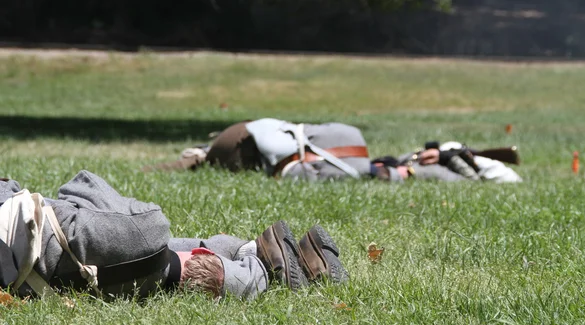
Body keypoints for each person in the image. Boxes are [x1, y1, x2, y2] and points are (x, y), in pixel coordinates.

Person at [0, 171, 348, 301]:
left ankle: (252, 253)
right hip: (71, 244)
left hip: (59, 245)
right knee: (140, 236)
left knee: (152, 258)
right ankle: (259, 267)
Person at [147, 118, 522, 183]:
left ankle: (198, 154)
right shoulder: (354, 167)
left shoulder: (351, 136)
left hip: (241, 134)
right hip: (240, 151)